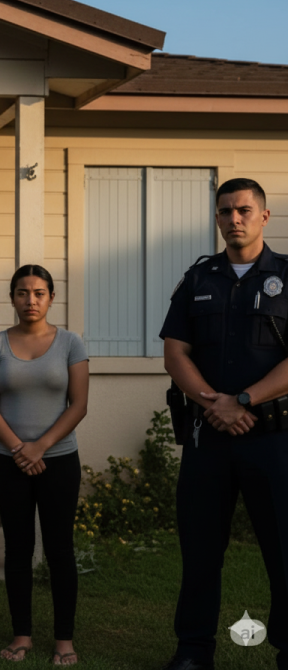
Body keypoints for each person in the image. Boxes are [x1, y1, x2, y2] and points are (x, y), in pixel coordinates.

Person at [159, 177, 288, 670]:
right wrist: (216, 403)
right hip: (208, 437)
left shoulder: (286, 277)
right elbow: (175, 352)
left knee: (282, 550)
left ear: (264, 216)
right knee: (199, 549)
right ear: (216, 218)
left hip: (274, 440)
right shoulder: (199, 279)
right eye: (225, 211)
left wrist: (245, 400)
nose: (234, 219)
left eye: (243, 210)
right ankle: (193, 651)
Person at [0, 264, 88, 665]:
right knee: (17, 549)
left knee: (60, 549)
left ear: (51, 298)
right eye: (22, 293)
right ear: (12, 298)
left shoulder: (71, 343)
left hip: (58, 461)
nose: (30, 300)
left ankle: (64, 640)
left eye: (39, 293)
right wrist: (19, 448)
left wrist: (40, 446)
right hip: (10, 463)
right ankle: (21, 634)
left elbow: (79, 404)